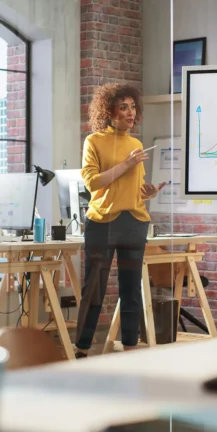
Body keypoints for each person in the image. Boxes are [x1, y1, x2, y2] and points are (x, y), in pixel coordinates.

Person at [74, 82, 166, 358]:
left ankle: (130, 349)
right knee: (94, 289)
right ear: (108, 110)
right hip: (102, 223)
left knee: (132, 290)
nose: (130, 112)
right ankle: (82, 349)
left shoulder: (136, 144)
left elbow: (133, 187)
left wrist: (148, 192)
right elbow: (92, 182)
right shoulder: (94, 141)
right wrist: (126, 164)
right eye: (123, 107)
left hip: (134, 222)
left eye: (133, 107)